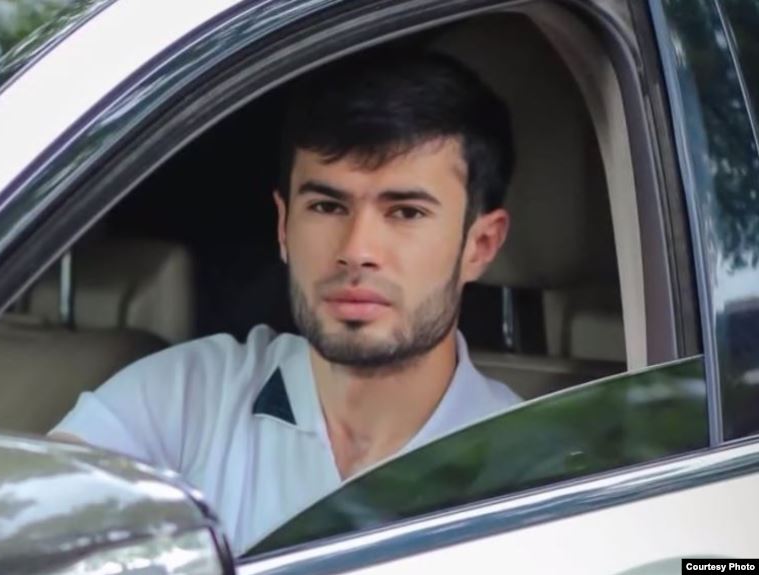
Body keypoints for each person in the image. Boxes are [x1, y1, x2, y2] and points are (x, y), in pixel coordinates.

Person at [50, 49, 522, 554]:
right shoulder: (186, 399)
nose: (356, 250)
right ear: (283, 226)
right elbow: (31, 530)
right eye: (327, 206)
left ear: (480, 246)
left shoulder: (534, 463)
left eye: (405, 212)